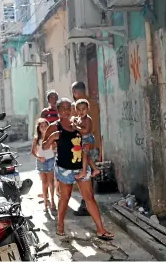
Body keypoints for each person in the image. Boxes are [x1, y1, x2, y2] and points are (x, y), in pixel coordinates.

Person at [42, 98, 114, 240]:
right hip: (65, 168)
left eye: (69, 108)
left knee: (89, 197)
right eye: (63, 108)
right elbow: (44, 145)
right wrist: (52, 138)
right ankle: (60, 225)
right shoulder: (54, 126)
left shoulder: (77, 123)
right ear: (58, 110)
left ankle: (100, 229)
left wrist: (88, 147)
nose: (67, 111)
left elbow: (86, 139)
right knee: (65, 197)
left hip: (81, 165)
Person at [71, 81, 101, 216]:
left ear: (76, 92)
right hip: (92, 144)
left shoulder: (80, 107)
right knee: (87, 176)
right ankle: (88, 204)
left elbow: (87, 128)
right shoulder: (92, 104)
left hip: (87, 143)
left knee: (86, 176)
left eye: (74, 93)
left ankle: (87, 205)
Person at [31, 118, 56, 211]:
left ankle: (53, 202)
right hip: (41, 162)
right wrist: (39, 158)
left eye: (45, 126)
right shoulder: (36, 139)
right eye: (41, 126)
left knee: (51, 182)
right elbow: (33, 152)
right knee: (44, 183)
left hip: (50, 160)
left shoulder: (51, 137)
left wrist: (54, 151)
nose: (44, 128)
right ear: (38, 128)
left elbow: (54, 148)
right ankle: (45, 203)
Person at [72, 99, 100, 179]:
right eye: (79, 109)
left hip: (88, 139)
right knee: (86, 157)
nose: (81, 111)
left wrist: (76, 127)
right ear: (76, 110)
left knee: (84, 154)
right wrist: (74, 120)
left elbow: (86, 131)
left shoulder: (88, 119)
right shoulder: (79, 118)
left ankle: (84, 171)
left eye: (83, 109)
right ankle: (95, 169)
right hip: (83, 140)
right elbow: (74, 120)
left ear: (88, 109)